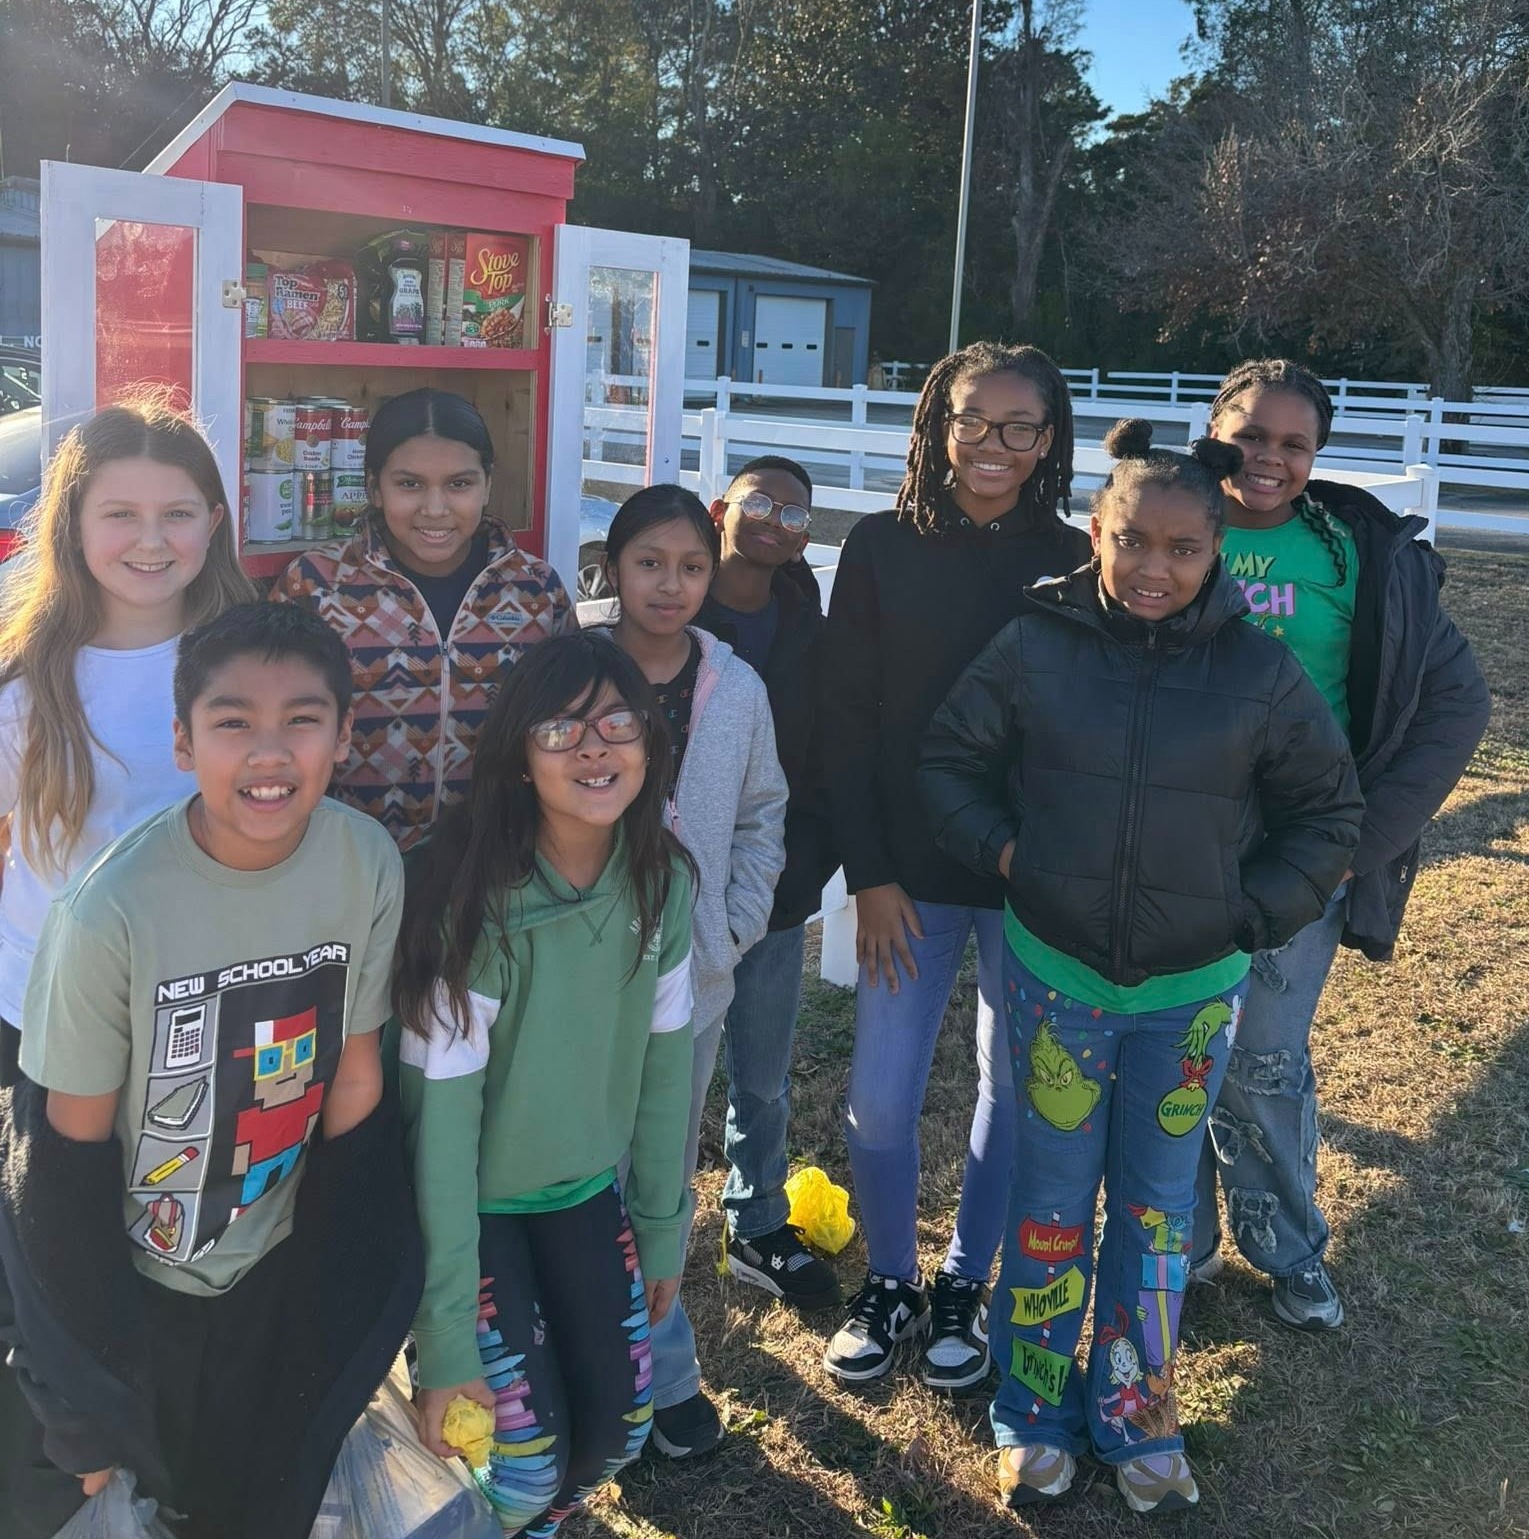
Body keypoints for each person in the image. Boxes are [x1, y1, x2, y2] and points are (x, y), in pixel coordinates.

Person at [919, 419, 1364, 1512]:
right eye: (1132, 542)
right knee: (1051, 1205)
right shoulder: (1035, 642)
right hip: (1053, 978)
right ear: (1094, 532)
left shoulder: (1257, 672)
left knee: (1157, 1214)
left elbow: (1328, 812)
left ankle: (1134, 1408)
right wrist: (1008, 853)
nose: (1153, 569)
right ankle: (1031, 1408)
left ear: (1215, 553)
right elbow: (947, 759)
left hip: (1188, 998)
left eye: (1180, 550)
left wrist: (1245, 912)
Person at [0, 603, 419, 1539]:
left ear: (344, 736)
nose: (269, 752)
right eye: (233, 723)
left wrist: (346, 1282)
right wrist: (90, 1397)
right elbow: (57, 1162)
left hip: (272, 1278)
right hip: (141, 1297)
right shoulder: (109, 912)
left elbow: (353, 1081)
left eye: (302, 720)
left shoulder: (366, 861)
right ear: (184, 744)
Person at [1191, 359, 1490, 1328]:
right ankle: (1176, 1245)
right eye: (1248, 434)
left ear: (1314, 453)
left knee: (1262, 1060)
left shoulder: (1356, 553)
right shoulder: (1159, 522)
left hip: (1296, 848)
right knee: (1170, 1046)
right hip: (1163, 845)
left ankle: (1285, 1250)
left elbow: (1456, 698)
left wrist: (1365, 837)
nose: (1267, 458)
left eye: (1292, 442)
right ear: (1212, 428)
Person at [818, 341, 1089, 1391]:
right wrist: (869, 873)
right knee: (880, 1101)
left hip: (1027, 880)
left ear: (1048, 440)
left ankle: (960, 1284)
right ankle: (888, 1279)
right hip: (906, 879)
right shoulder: (879, 546)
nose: (992, 444)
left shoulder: (1074, 557)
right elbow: (845, 721)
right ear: (935, 423)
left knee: (1012, 1091)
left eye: (1019, 426)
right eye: (972, 419)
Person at [395, 631, 696, 1537]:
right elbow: (437, 1133)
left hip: (581, 1193)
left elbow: (664, 1072)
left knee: (615, 1437)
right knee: (520, 1469)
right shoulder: (473, 907)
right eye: (560, 731)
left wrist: (661, 1225)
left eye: (617, 721)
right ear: (519, 760)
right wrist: (446, 1335)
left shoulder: (660, 882)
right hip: (472, 1213)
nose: (595, 747)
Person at [600, 485, 787, 1459]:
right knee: (575, 1169)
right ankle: (590, 1371)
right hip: (573, 979)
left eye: (689, 567)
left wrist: (731, 927)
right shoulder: (571, 671)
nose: (668, 585)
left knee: (662, 1171)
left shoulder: (736, 688)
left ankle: (663, 1374)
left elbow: (762, 815)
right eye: (647, 563)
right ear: (613, 568)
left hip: (690, 979)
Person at [0, 397, 255, 1089]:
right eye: (120, 515)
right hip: (51, 1013)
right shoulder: (27, 685)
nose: (151, 539)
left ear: (214, 523)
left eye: (176, 513)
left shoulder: (263, 666)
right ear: (72, 527)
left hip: (223, 1002)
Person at [273, 387, 575, 849]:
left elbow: (565, 730)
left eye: (459, 484)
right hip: (346, 867)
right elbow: (273, 731)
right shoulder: (315, 587)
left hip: (495, 871)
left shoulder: (537, 592)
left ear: (487, 483)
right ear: (375, 486)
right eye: (409, 484)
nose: (435, 509)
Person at [696, 456, 841, 1315]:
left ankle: (753, 1216)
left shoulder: (807, 624)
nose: (777, 523)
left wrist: (801, 863)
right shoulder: (672, 603)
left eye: (797, 515)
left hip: (774, 882)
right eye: (761, 503)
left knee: (762, 1069)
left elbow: (822, 756)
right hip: (666, 884)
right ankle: (633, 1218)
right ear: (722, 506)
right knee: (654, 1066)